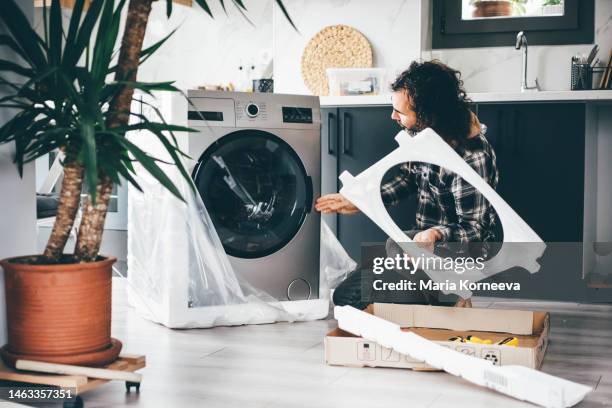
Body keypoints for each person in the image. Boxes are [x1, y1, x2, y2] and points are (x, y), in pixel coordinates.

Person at [315, 60, 499, 309]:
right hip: (417, 246)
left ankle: (450, 293)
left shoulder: (471, 156)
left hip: (454, 255)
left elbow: (475, 231)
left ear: (427, 115)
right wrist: (360, 200)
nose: (393, 116)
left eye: (400, 112)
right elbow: (407, 180)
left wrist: (436, 234)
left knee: (392, 281)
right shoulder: (422, 137)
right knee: (345, 298)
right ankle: (427, 299)